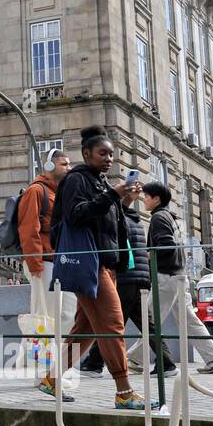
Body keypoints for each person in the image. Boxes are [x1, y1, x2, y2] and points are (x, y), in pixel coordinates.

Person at [48, 126, 151, 410]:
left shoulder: (101, 183)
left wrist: (125, 199)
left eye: (111, 154)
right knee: (112, 324)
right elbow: (76, 214)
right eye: (102, 153)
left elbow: (109, 223)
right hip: (89, 262)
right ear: (86, 153)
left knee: (87, 329)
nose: (108, 158)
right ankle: (124, 391)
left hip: (104, 263)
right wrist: (113, 195)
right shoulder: (76, 180)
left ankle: (52, 379)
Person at [132, 182, 213, 375]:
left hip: (166, 276)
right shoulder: (169, 217)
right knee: (188, 320)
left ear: (156, 198)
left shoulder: (159, 218)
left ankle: (134, 359)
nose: (144, 200)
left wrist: (149, 254)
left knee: (151, 319)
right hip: (178, 275)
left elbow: (165, 245)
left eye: (147, 196)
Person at [17, 148, 78, 391]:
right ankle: (43, 373)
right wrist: (35, 264)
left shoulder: (59, 194)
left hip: (60, 261)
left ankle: (56, 370)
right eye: (64, 164)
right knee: (44, 320)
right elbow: (28, 228)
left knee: (66, 315)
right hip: (44, 262)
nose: (69, 168)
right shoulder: (36, 191)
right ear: (50, 166)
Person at [83, 202, 166, 376]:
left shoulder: (120, 221)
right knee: (146, 324)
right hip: (141, 277)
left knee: (110, 322)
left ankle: (93, 363)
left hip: (126, 278)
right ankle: (167, 362)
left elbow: (116, 249)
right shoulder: (137, 221)